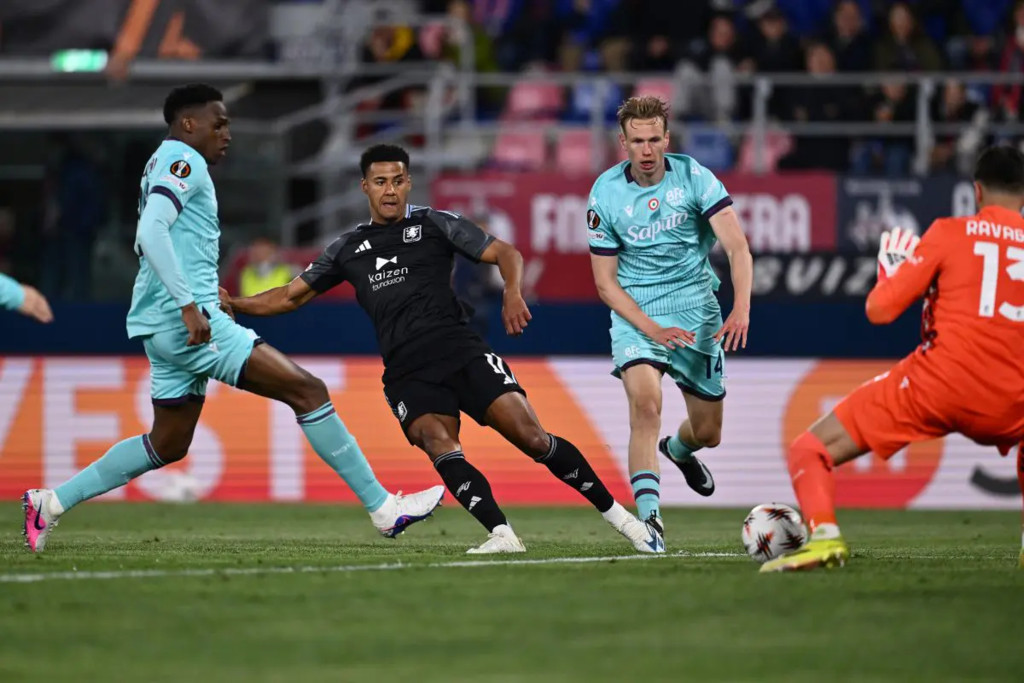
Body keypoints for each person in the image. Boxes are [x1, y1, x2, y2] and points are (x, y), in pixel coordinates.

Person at [21, 85, 443, 553]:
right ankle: (383, 508)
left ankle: (50, 503)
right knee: (308, 391)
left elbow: (161, 235)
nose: (226, 134)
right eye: (218, 124)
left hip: (161, 324)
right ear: (189, 124)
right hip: (189, 321)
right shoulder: (183, 160)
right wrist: (188, 303)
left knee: (168, 443)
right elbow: (150, 230)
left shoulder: (162, 161)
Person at [223, 143, 659, 555]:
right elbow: (290, 296)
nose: (390, 190)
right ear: (365, 187)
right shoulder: (347, 249)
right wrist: (236, 304)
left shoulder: (435, 224)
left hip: (460, 350)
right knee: (439, 443)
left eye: (397, 181)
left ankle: (625, 521)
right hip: (407, 371)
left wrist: (512, 292)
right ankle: (501, 533)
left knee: (533, 438)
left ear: (409, 183)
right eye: (380, 182)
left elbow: (506, 253)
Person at [761, 145, 1024, 573]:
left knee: (810, 448)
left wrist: (893, 272)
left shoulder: (949, 232)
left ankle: (824, 537)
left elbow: (880, 311)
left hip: (939, 385)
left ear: (977, 191)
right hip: (1014, 397)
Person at [587, 96, 753, 548]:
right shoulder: (605, 193)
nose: (646, 150)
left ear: (667, 139)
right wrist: (651, 329)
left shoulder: (695, 177)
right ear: (622, 142)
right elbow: (605, 284)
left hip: (698, 315)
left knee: (709, 433)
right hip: (637, 316)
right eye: (637, 141)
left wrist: (741, 307)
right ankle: (651, 523)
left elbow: (737, 248)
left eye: (654, 140)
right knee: (646, 407)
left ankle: (678, 450)